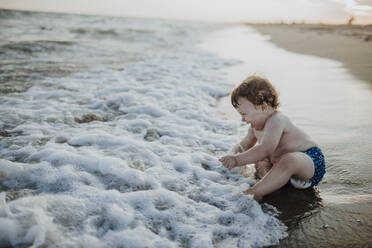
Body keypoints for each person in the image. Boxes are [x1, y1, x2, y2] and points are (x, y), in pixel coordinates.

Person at [219, 75, 325, 201]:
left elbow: (266, 149)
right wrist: (229, 158)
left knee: (288, 159)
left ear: (263, 107)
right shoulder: (254, 127)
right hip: (282, 170)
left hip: (309, 162)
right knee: (259, 160)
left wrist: (236, 160)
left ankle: (255, 192)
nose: (242, 119)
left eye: (244, 114)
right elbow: (244, 145)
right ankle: (271, 186)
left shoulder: (277, 120)